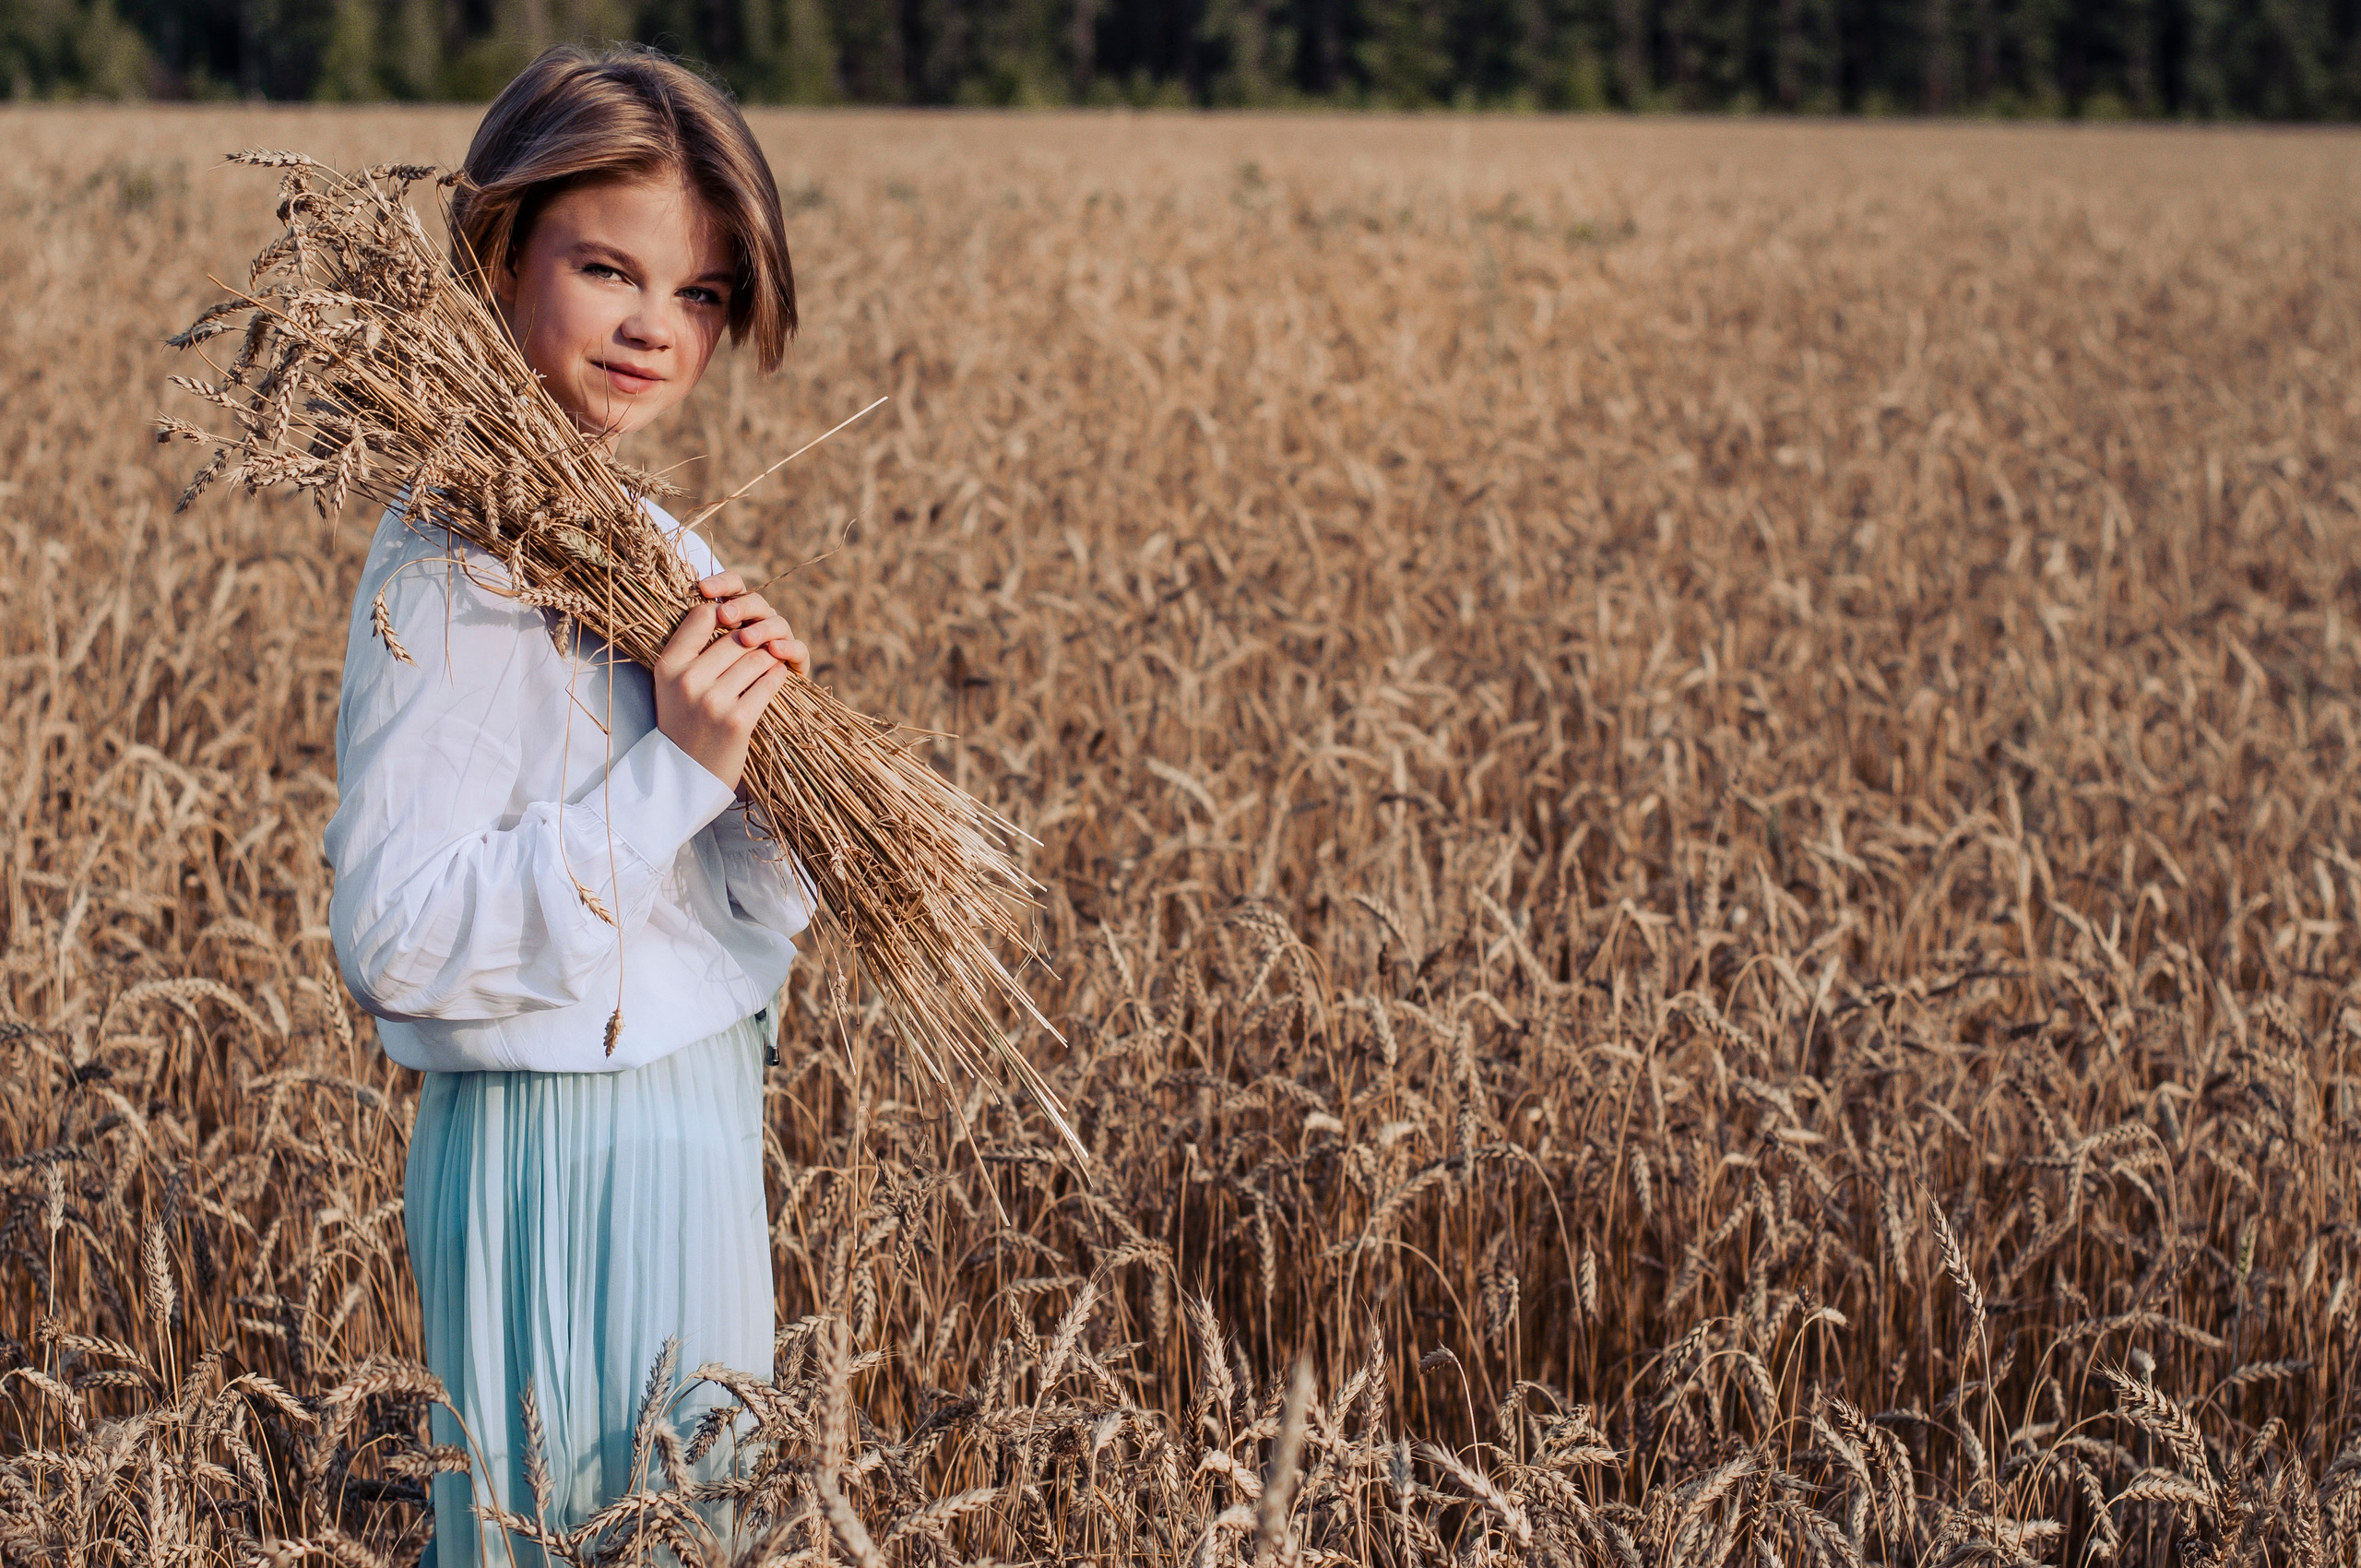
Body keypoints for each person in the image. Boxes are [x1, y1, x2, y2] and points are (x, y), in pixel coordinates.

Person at [322, 43, 813, 1568]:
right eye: (610, 269)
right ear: (497, 247)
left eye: (704, 295)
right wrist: (677, 768)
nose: (656, 329)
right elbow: (394, 940)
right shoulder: (456, 569)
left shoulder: (647, 541)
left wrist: (768, 780)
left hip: (695, 1124)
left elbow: (718, 921)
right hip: (563, 1151)